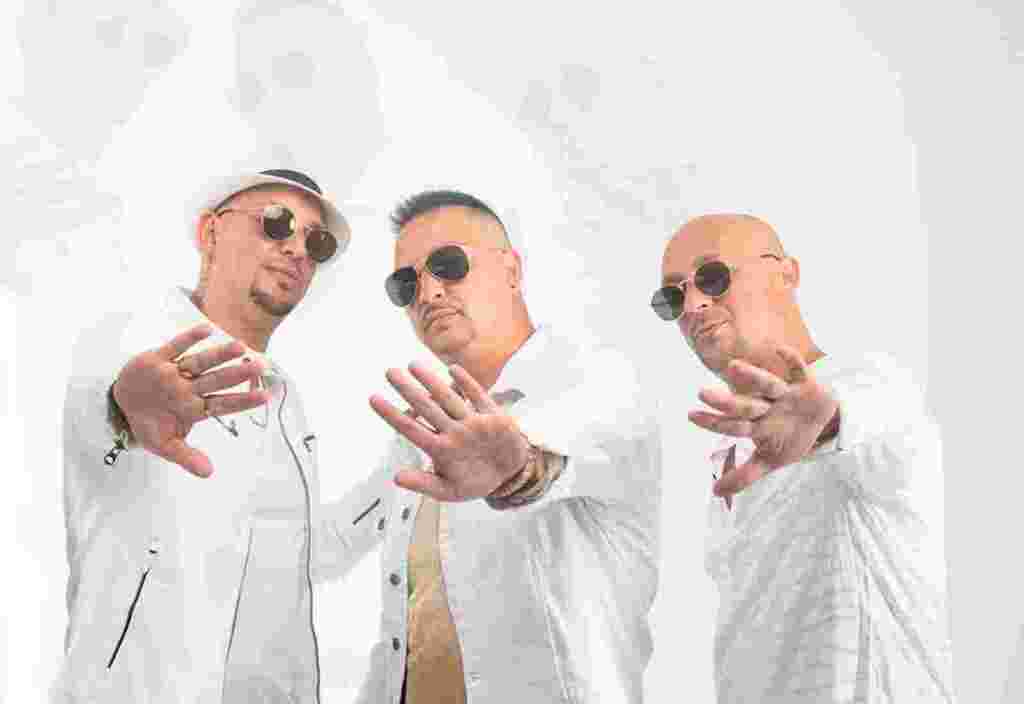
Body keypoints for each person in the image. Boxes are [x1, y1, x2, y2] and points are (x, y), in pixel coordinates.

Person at [345, 190, 662, 703]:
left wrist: (516, 469)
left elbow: (549, 461)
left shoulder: (598, 384)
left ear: (511, 270)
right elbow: (338, 553)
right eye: (406, 283)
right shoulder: (419, 436)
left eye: (448, 265)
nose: (428, 292)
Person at [56, 166, 359, 703]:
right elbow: (101, 415)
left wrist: (408, 469)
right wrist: (123, 408)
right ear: (211, 232)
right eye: (277, 223)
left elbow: (313, 551)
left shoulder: (285, 397)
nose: (297, 249)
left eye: (317, 242)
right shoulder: (132, 339)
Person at [652, 213, 955, 702]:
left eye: (713, 276)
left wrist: (824, 424)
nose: (693, 305)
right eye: (672, 295)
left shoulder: (873, 384)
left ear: (786, 273)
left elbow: (846, 416)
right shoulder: (733, 448)